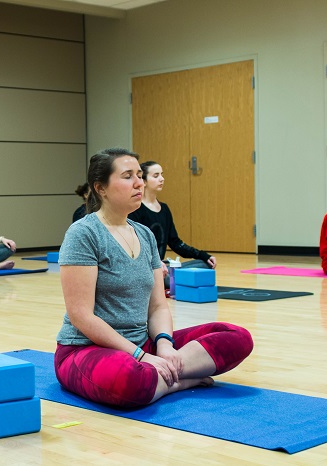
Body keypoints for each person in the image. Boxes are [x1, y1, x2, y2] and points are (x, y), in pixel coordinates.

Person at [54, 148, 253, 408]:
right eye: (127, 176)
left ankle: (163, 375)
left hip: (145, 344)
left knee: (237, 336)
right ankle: (181, 380)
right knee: (129, 378)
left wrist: (165, 346)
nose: (139, 182)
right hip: (86, 349)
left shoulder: (145, 234)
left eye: (139, 175)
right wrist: (140, 355)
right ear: (100, 188)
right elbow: (81, 316)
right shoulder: (83, 233)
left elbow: (158, 306)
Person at [129, 161, 216, 287]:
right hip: (145, 267)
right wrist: (155, 262)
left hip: (162, 266)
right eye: (156, 176)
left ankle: (173, 277)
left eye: (162, 175)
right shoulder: (136, 209)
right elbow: (135, 246)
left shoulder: (164, 208)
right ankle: (171, 278)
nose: (161, 179)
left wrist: (204, 255)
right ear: (144, 181)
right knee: (162, 276)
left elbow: (175, 242)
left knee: (205, 264)